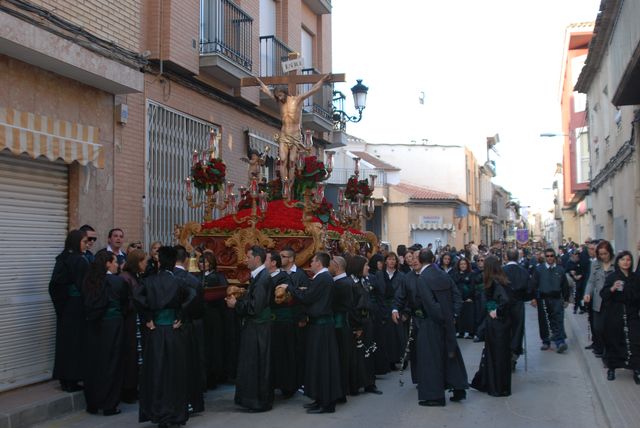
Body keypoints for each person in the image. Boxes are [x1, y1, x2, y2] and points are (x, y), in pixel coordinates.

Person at [134, 246, 195, 428]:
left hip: (156, 331)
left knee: (157, 372)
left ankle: (159, 413)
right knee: (176, 373)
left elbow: (137, 297)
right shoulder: (178, 281)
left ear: (159, 261)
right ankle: (176, 414)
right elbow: (192, 295)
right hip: (174, 331)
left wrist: (148, 318)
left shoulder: (149, 281)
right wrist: (181, 316)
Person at [283, 252, 343, 414]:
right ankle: (319, 398)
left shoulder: (323, 278)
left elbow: (308, 297)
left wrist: (290, 288)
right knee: (316, 363)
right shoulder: (321, 278)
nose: (310, 263)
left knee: (323, 364)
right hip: (318, 326)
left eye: (313, 260)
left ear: (319, 263)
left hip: (322, 328)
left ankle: (327, 402)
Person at [415, 250, 468, 406]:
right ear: (433, 259)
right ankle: (459, 389)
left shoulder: (422, 279)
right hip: (448, 322)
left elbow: (430, 304)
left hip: (432, 323)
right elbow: (457, 296)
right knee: (451, 354)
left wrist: (443, 318)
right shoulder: (443, 275)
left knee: (431, 359)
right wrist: (453, 316)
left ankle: (435, 396)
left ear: (420, 259)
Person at [257, 74, 332, 180]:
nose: (279, 97)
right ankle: (285, 185)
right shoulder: (280, 102)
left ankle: (290, 182)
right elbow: (268, 92)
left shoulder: (297, 100)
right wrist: (261, 83)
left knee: (292, 161)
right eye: (277, 96)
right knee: (282, 160)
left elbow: (313, 90)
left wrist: (322, 80)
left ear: (285, 92)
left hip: (295, 135)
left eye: (280, 95)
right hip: (284, 135)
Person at [226, 246, 273, 412]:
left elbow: (255, 307)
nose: (245, 260)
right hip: (256, 327)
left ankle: (258, 401)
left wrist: (236, 304)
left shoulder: (262, 279)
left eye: (248, 257)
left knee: (256, 363)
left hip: (258, 328)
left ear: (257, 259)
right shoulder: (259, 277)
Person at [82, 249, 128, 415]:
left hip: (93, 327)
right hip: (113, 326)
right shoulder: (116, 282)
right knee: (112, 364)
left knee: (94, 363)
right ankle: (109, 404)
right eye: (115, 262)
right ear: (108, 263)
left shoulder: (89, 281)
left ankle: (92, 403)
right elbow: (125, 304)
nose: (117, 265)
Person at [49, 229, 90, 393]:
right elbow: (85, 285)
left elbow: (54, 286)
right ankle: (72, 379)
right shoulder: (78, 260)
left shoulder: (63, 258)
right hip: (77, 307)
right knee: (75, 344)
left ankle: (64, 379)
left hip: (66, 307)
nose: (86, 245)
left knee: (65, 343)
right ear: (76, 242)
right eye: (84, 241)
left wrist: (62, 305)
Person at [471, 255, 513, 397]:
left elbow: (504, 301)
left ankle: (497, 386)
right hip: (502, 323)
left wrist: (495, 310)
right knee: (498, 355)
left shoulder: (495, 282)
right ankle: (497, 384)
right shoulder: (502, 280)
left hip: (497, 324)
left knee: (496, 355)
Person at [174, 245, 206, 414]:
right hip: (187, 326)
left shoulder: (162, 277)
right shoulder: (192, 280)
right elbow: (198, 307)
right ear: (186, 260)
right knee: (189, 366)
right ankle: (190, 402)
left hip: (167, 328)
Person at [600, 251, 640, 383]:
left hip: (632, 313)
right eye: (623, 259)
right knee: (614, 340)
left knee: (635, 340)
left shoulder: (635, 278)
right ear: (618, 261)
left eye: (628, 260)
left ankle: (636, 368)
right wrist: (612, 288)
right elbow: (604, 294)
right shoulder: (612, 277)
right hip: (615, 313)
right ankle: (612, 368)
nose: (626, 262)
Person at [347, 255, 383, 397]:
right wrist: (357, 327)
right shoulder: (351, 283)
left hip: (368, 322)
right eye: (365, 265)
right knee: (357, 355)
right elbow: (351, 307)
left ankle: (369, 383)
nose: (368, 268)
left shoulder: (365, 281)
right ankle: (354, 385)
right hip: (357, 324)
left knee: (368, 354)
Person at [266, 250, 298, 398]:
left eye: (266, 260)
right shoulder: (265, 276)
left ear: (273, 263)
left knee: (284, 354)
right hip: (270, 322)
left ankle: (287, 385)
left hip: (282, 321)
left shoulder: (283, 277)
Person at [119, 248, 148, 404]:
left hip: (137, 321)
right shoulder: (125, 278)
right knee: (130, 355)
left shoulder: (136, 277)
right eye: (144, 261)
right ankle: (128, 389)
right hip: (130, 323)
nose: (146, 264)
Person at [199, 251, 231, 388]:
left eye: (205, 261)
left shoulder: (218, 277)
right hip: (202, 315)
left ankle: (214, 375)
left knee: (214, 345)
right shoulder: (198, 276)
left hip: (214, 314)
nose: (203, 264)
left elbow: (223, 292)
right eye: (201, 261)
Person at [531, 248, 570, 353]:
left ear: (555, 257)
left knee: (558, 319)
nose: (549, 258)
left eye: (551, 256)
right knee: (544, 321)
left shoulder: (560, 269)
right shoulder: (539, 269)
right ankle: (546, 341)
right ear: (544, 257)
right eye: (547, 256)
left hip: (557, 298)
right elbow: (534, 285)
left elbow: (565, 285)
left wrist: (566, 299)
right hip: (543, 298)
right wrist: (533, 298)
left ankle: (560, 342)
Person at [375, 252, 406, 370]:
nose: (392, 262)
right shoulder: (379, 275)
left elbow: (403, 294)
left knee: (395, 336)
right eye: (389, 259)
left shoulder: (401, 276)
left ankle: (395, 359)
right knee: (384, 336)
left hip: (396, 308)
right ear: (385, 261)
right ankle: (385, 360)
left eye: (394, 260)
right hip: (382, 307)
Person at [584, 240, 615, 358]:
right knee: (598, 327)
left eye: (605, 254)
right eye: (600, 254)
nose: (603, 256)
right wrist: (588, 293)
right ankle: (602, 347)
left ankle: (609, 353)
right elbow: (591, 281)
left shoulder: (616, 262)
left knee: (611, 328)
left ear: (610, 253)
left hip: (613, 300)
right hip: (599, 300)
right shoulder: (595, 264)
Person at [330, 256, 353, 404]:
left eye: (330, 264)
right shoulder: (345, 282)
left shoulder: (340, 284)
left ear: (337, 266)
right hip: (344, 325)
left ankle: (341, 392)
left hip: (340, 326)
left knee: (340, 360)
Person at [503, 249, 530, 370]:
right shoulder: (523, 271)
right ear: (518, 258)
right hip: (518, 303)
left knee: (505, 328)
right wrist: (524, 298)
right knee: (517, 329)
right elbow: (529, 289)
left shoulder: (501, 271)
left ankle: (507, 353)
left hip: (504, 303)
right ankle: (514, 353)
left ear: (506, 257)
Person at [452, 258, 475, 339]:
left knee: (469, 317)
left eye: (464, 264)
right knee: (460, 316)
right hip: (459, 299)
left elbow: (472, 286)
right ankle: (461, 332)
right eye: (461, 264)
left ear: (467, 265)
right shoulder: (455, 274)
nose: (463, 265)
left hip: (468, 298)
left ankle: (470, 333)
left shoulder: (471, 274)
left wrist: (470, 297)